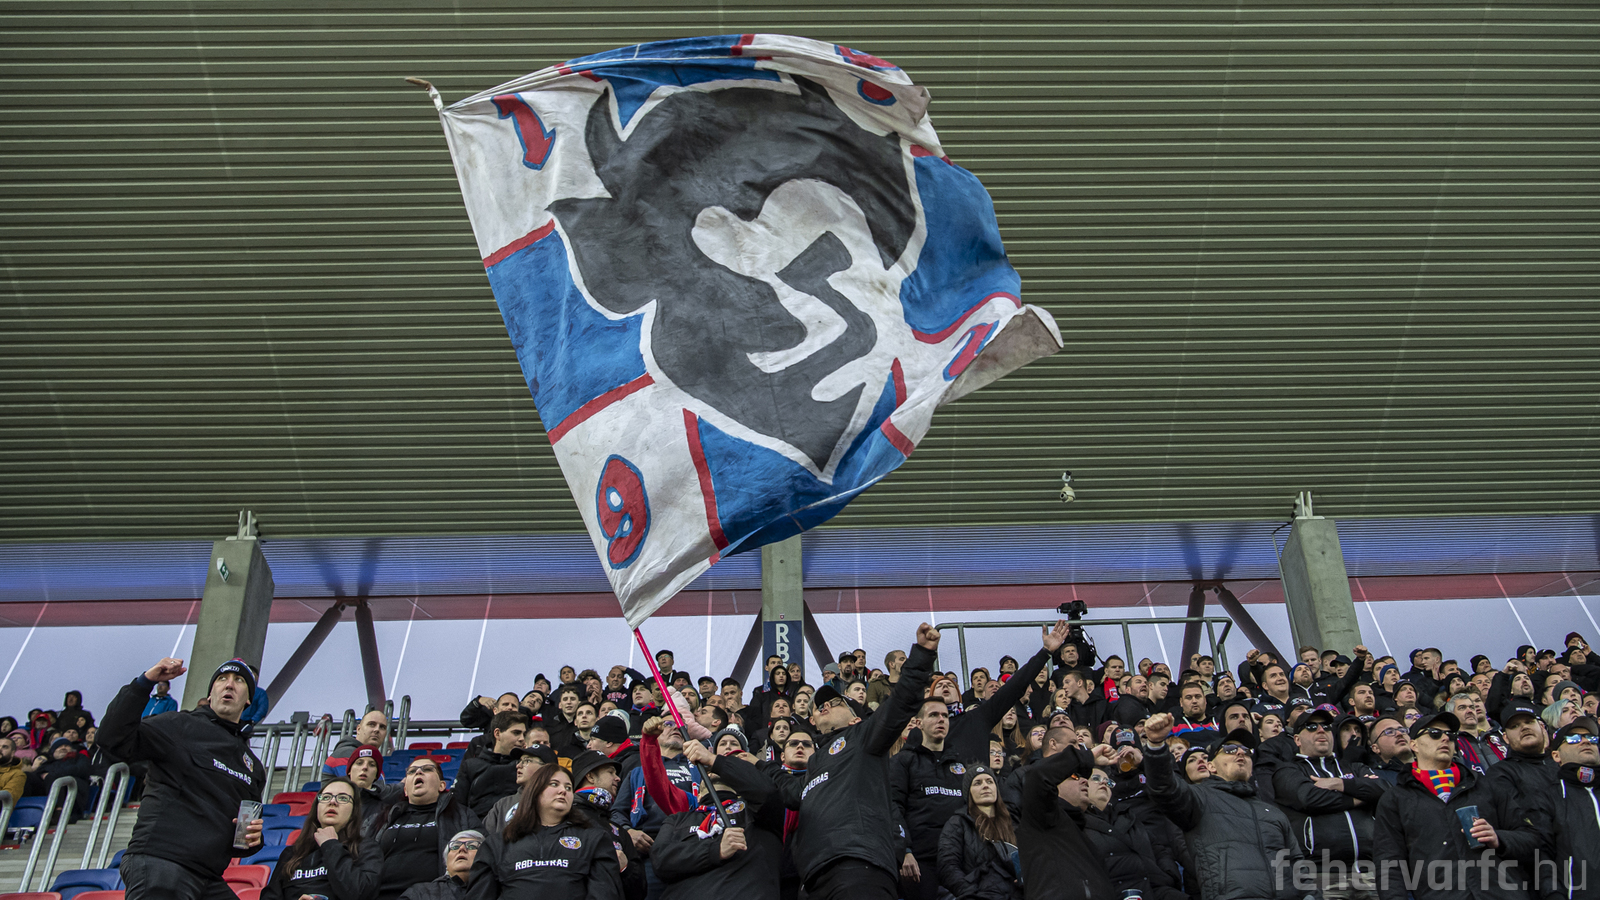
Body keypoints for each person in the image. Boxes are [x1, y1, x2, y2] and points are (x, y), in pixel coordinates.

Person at [772, 623, 939, 900]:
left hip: (859, 867)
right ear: (813, 721)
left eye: (835, 703)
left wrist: (921, 655)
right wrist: (751, 762)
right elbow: (788, 790)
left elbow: (901, 702)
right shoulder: (815, 762)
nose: (825, 706)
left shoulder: (863, 736)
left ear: (855, 718)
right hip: (812, 880)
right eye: (819, 706)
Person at [99, 656, 267, 900]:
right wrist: (144, 683)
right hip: (163, 861)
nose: (229, 684)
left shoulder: (252, 766)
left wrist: (254, 839)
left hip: (208, 875)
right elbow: (112, 739)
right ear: (211, 694)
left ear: (249, 699)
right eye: (222, 679)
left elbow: (241, 840)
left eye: (239, 680)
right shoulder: (178, 725)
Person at [1371, 711, 1536, 900]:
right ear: (1413, 744)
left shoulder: (1487, 786)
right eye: (1434, 733)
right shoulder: (1395, 799)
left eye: (1450, 735)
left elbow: (1531, 839)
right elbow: (1389, 865)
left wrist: (1499, 838)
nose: (1445, 739)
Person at [1142, 711, 1301, 900]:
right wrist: (1156, 746)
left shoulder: (1273, 813)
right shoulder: (1199, 798)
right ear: (1211, 767)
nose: (1240, 753)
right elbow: (1164, 788)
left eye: (1247, 751)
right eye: (1230, 749)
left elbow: (1297, 864)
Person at [1271, 706, 1387, 900]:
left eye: (1326, 726)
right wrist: (1361, 796)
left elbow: (1384, 790)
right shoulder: (1287, 771)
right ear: (1297, 739)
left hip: (1370, 872)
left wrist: (1339, 784)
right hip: (1322, 874)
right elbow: (1311, 798)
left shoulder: (1354, 767)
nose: (1321, 730)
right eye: (1311, 727)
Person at [465, 762, 624, 900]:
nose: (563, 791)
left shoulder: (594, 839)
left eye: (568, 787)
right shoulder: (498, 843)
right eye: (554, 784)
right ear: (535, 790)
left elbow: (604, 893)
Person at [651, 737, 782, 900]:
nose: (712, 772)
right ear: (698, 795)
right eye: (708, 771)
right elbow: (660, 859)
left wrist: (714, 760)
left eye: (716, 769)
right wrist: (715, 850)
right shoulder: (678, 819)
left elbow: (767, 791)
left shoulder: (757, 812)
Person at [1016, 725, 1118, 900]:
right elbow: (1037, 777)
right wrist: (1087, 756)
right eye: (1074, 776)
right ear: (1054, 786)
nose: (1084, 781)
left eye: (1085, 778)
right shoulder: (1041, 817)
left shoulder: (1085, 837)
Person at [371, 757, 480, 900]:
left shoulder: (462, 816)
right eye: (412, 771)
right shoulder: (385, 818)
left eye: (427, 769)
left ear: (442, 786)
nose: (418, 772)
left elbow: (481, 854)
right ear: (405, 790)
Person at [891, 697, 964, 900]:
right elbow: (892, 806)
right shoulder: (903, 761)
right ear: (919, 723)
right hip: (920, 861)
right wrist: (904, 851)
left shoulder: (961, 765)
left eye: (945, 716)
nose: (941, 720)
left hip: (960, 857)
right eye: (933, 715)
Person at [262, 776, 381, 900]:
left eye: (343, 798)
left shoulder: (367, 848)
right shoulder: (291, 854)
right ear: (317, 807)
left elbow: (362, 893)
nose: (332, 802)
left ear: (353, 811)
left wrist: (331, 845)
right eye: (326, 797)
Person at [937, 763, 1023, 900]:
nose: (985, 786)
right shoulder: (957, 823)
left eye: (989, 781)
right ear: (968, 792)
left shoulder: (1014, 823)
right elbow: (948, 866)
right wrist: (970, 893)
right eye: (977, 783)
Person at [1544, 715, 1600, 899]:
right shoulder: (1549, 796)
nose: (1585, 741)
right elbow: (1541, 856)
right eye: (1574, 738)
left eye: (1591, 738)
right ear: (1556, 755)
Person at [454, 710, 529, 817]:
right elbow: (458, 805)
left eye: (524, 734)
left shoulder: (526, 766)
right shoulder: (470, 766)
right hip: (476, 825)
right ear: (497, 734)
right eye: (516, 733)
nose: (522, 739)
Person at [399, 830, 482, 900]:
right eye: (455, 847)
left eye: (472, 846)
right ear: (446, 863)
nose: (462, 849)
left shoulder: (489, 891)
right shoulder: (419, 893)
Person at [328, 710, 392, 783]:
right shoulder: (345, 754)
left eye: (382, 727)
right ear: (358, 729)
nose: (377, 730)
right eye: (371, 724)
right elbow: (360, 787)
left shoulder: (372, 758)